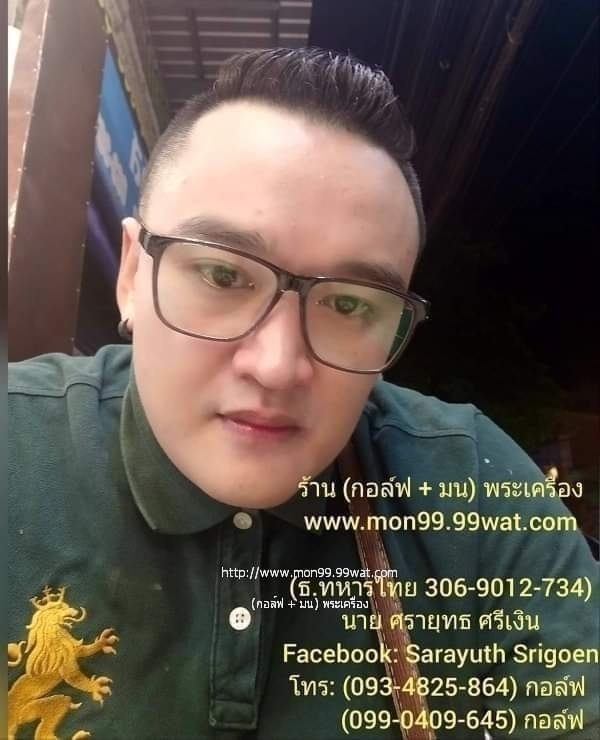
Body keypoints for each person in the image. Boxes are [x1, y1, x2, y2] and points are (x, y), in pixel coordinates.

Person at [8, 48, 598, 740]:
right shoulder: (16, 446)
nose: (278, 366)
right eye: (224, 276)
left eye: (349, 305)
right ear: (134, 275)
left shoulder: (472, 493)